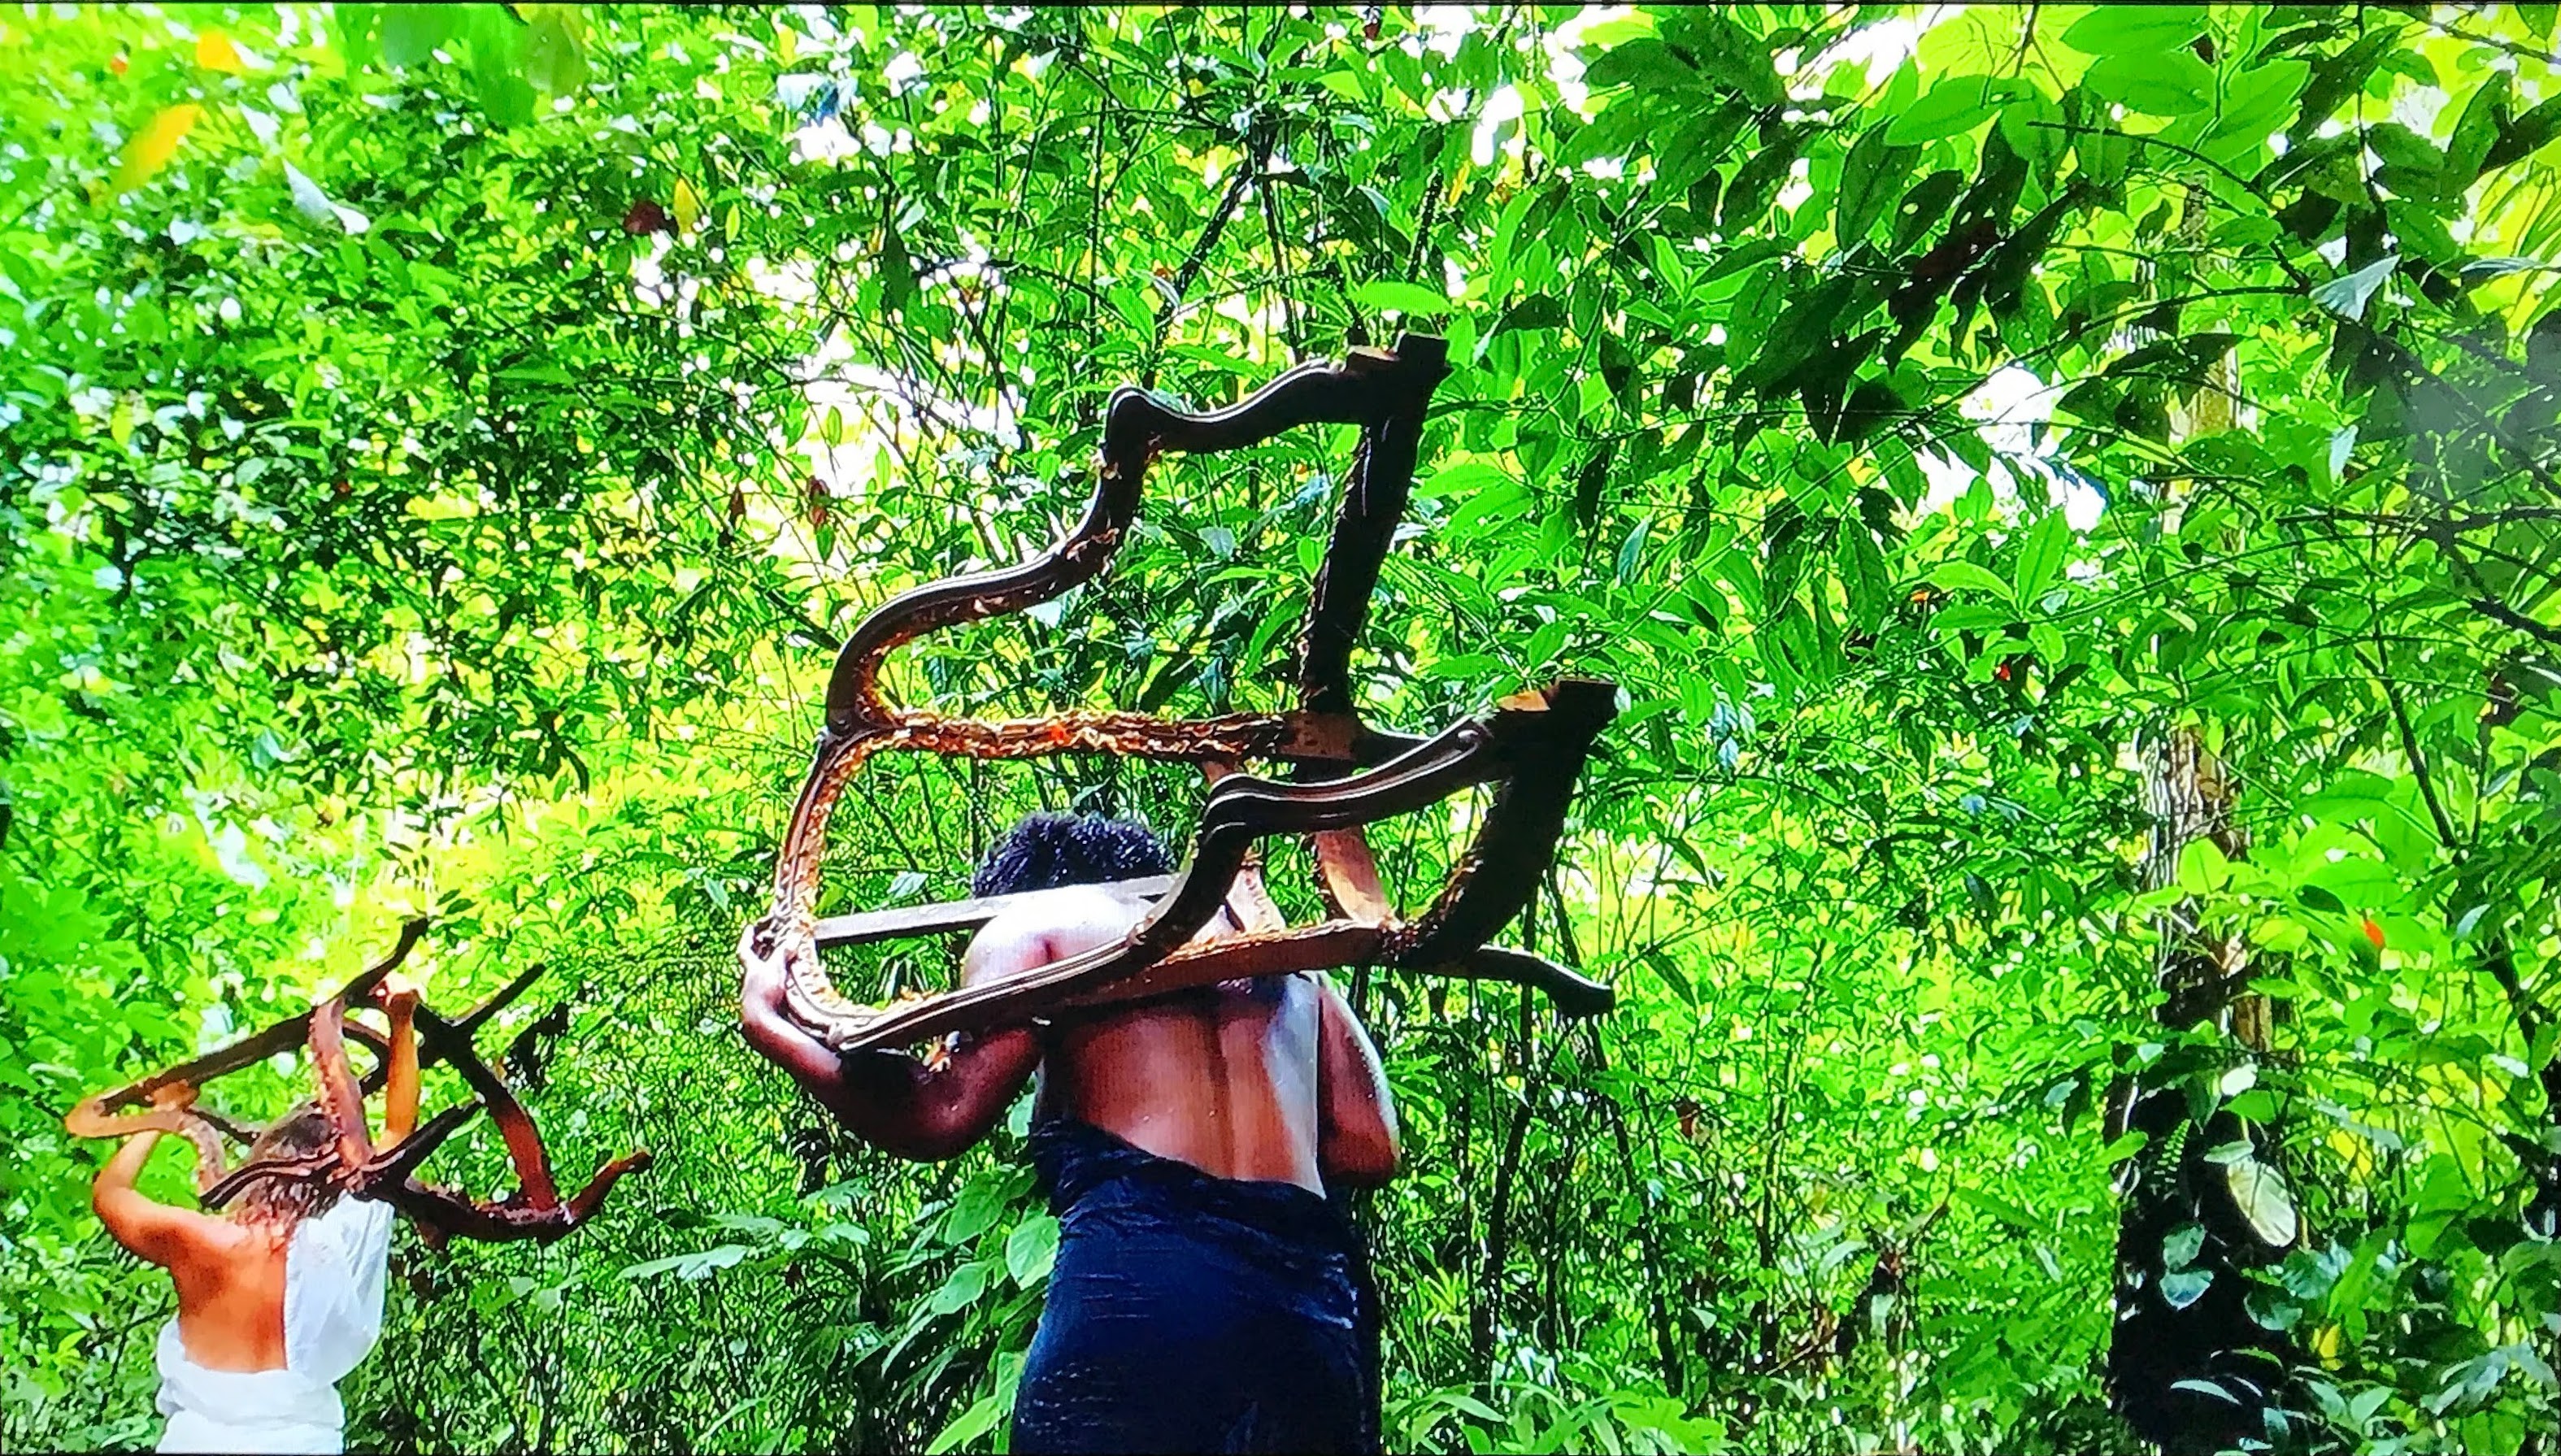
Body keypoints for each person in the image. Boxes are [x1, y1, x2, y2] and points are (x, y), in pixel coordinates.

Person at [741, 811, 1401, 1454]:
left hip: (1143, 1295)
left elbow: (940, 1112)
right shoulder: (1289, 969)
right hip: (1315, 1319)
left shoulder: (1039, 923)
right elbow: (1367, 1145)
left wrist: (770, 1024)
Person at [92, 978, 423, 1454]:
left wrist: (164, 1116)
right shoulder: (347, 1229)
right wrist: (402, 1021)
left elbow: (110, 1193)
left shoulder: (196, 1239)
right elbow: (396, 1131)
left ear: (260, 1164)